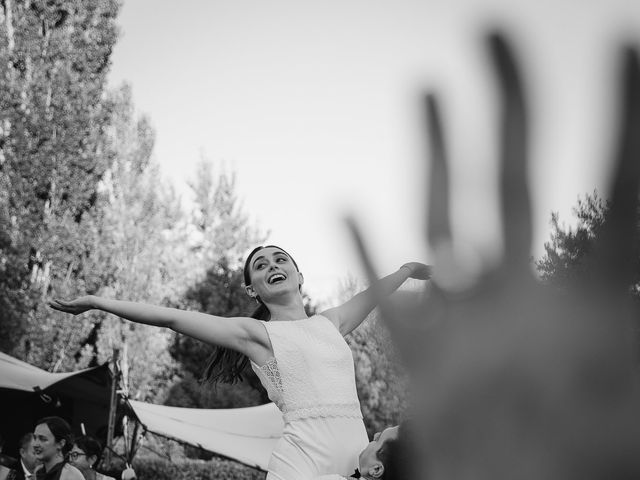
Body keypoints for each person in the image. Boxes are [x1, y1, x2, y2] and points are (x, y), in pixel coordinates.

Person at [50, 245, 430, 479]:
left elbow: (372, 293)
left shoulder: (331, 322)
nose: (271, 265)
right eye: (260, 266)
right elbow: (171, 317)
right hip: (303, 457)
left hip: (354, 445)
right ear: (252, 288)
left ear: (300, 276)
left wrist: (408, 271)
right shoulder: (255, 334)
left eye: (280, 259)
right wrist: (100, 302)